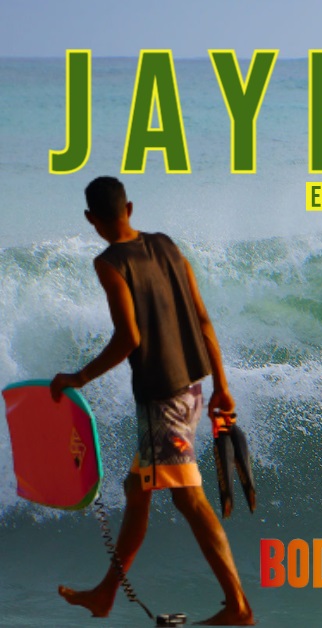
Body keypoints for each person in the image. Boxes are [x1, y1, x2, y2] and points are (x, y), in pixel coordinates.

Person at [48, 176, 254, 625]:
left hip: (162, 398)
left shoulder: (109, 263)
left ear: (90, 219)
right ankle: (105, 594)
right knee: (137, 491)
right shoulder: (166, 245)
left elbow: (129, 338)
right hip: (192, 388)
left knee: (189, 499)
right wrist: (222, 386)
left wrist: (78, 377)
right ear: (129, 208)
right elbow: (202, 318)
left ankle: (238, 606)